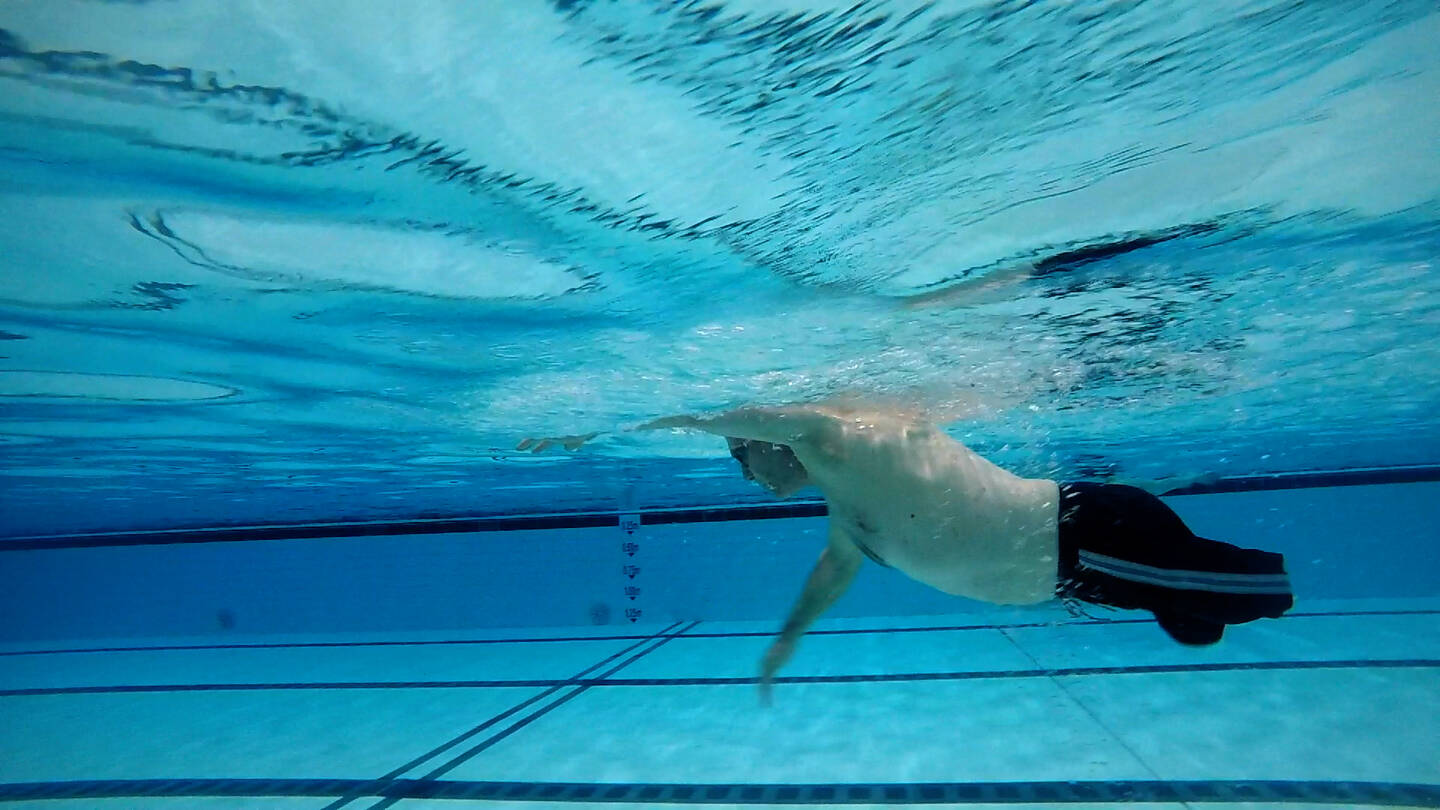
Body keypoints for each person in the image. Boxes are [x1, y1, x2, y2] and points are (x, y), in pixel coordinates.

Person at [519, 402, 1293, 702]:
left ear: (763, 443)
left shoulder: (840, 440)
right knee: (1198, 618)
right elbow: (835, 567)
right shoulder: (843, 504)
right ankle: (1198, 602)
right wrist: (786, 638)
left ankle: (1269, 585)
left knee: (1259, 593)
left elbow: (748, 409)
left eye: (740, 458)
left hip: (1087, 536)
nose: (746, 477)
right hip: (1079, 575)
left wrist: (612, 422)